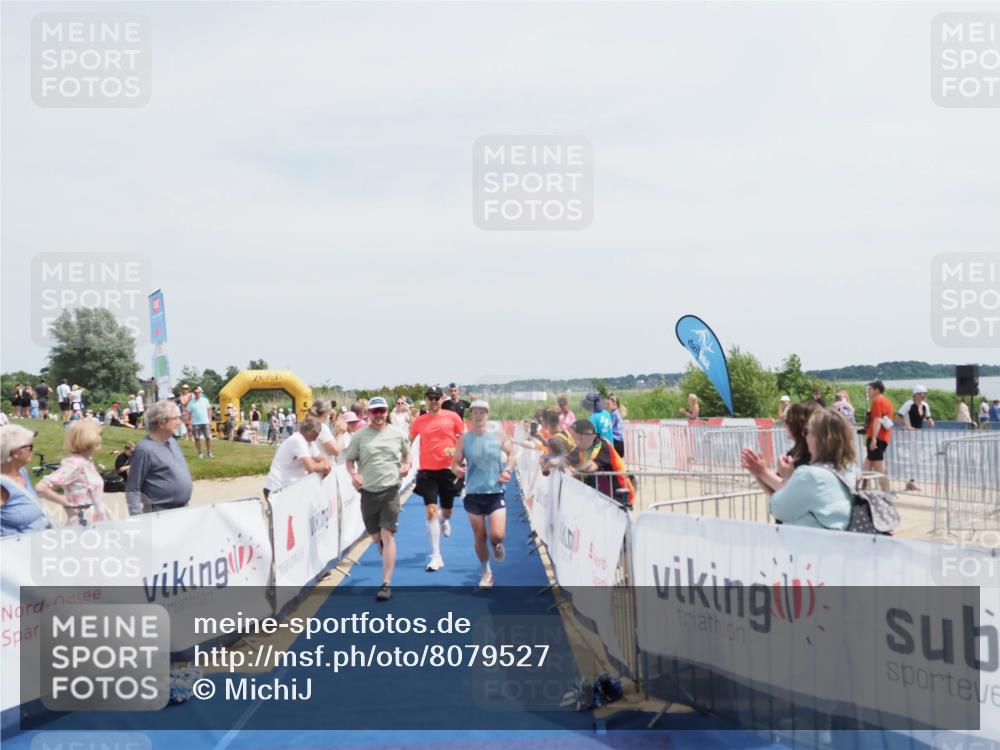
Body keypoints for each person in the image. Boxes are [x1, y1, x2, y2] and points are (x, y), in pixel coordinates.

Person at [345, 396, 411, 602]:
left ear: (387, 412)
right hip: (368, 492)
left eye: (382, 411)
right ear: (368, 414)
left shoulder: (397, 435)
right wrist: (354, 475)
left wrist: (407, 466)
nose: (379, 415)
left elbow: (407, 456)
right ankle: (383, 549)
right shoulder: (359, 436)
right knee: (376, 537)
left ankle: (386, 583)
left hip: (391, 489)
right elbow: (349, 461)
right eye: (375, 412)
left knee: (388, 534)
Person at [451, 400, 514, 589]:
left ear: (487, 415)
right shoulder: (464, 438)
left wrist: (508, 470)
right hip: (473, 494)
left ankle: (497, 545)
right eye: (475, 413)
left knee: (497, 535)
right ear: (470, 416)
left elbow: (512, 454)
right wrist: (457, 470)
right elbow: (454, 463)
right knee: (480, 537)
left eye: (482, 413)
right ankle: (487, 572)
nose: (478, 416)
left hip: (495, 492)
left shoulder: (498, 435)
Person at [766, 409, 856, 529]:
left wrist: (787, 477)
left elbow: (778, 509)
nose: (804, 436)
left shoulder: (809, 475)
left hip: (813, 544)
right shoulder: (851, 467)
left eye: (806, 431)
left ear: (820, 438)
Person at [409, 386, 465, 572]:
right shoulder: (419, 420)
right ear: (426, 399)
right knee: (431, 511)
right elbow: (408, 440)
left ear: (442, 399)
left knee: (446, 512)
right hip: (427, 472)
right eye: (430, 397)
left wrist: (458, 454)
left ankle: (444, 520)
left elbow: (464, 437)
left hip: (448, 470)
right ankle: (436, 555)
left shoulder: (452, 417)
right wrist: (404, 459)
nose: (433, 401)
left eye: (436, 397)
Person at [125, 400, 193, 515]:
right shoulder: (144, 450)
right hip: (160, 514)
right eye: (175, 418)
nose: (179, 422)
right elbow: (133, 489)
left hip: (183, 509)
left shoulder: (172, 442)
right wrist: (138, 519)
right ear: (161, 423)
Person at [35, 420, 109, 525]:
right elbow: (41, 488)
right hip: (83, 523)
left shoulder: (88, 461)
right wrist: (67, 503)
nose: (100, 438)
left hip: (98, 521)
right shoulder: (74, 464)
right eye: (98, 435)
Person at [563, 420, 634, 505]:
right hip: (603, 496)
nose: (575, 441)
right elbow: (565, 460)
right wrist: (566, 467)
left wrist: (574, 471)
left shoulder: (601, 445)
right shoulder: (582, 447)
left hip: (620, 494)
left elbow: (591, 467)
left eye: (577, 437)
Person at [1, 425, 52, 535]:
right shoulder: (2, 486)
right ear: (15, 452)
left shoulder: (22, 472)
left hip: (38, 544)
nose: (33, 451)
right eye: (30, 447)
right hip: (17, 548)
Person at [263, 416, 331, 498]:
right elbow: (311, 467)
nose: (318, 435)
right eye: (317, 432)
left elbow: (323, 460)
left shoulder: (309, 442)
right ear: (311, 432)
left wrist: (324, 466)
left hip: (289, 486)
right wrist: (324, 467)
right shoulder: (298, 440)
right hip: (278, 488)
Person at [863, 380, 894, 488]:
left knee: (878, 465)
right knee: (869, 461)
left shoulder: (877, 401)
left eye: (870, 390)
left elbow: (877, 420)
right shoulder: (888, 402)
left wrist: (874, 439)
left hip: (877, 437)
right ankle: (863, 487)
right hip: (884, 436)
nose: (869, 392)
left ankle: (885, 490)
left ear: (876, 390)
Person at [187, 386, 214, 459]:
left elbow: (209, 411)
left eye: (198, 392)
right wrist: (189, 424)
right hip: (195, 423)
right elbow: (189, 415)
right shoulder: (191, 403)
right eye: (196, 392)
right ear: (194, 393)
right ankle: (200, 453)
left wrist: (210, 420)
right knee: (197, 438)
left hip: (205, 422)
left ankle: (209, 452)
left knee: (208, 437)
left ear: (200, 392)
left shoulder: (205, 400)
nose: (197, 394)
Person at [605, 394, 626, 459]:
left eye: (608, 404)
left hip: (615, 441)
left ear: (614, 403)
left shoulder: (614, 414)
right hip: (619, 441)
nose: (607, 406)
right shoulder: (617, 413)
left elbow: (609, 427)